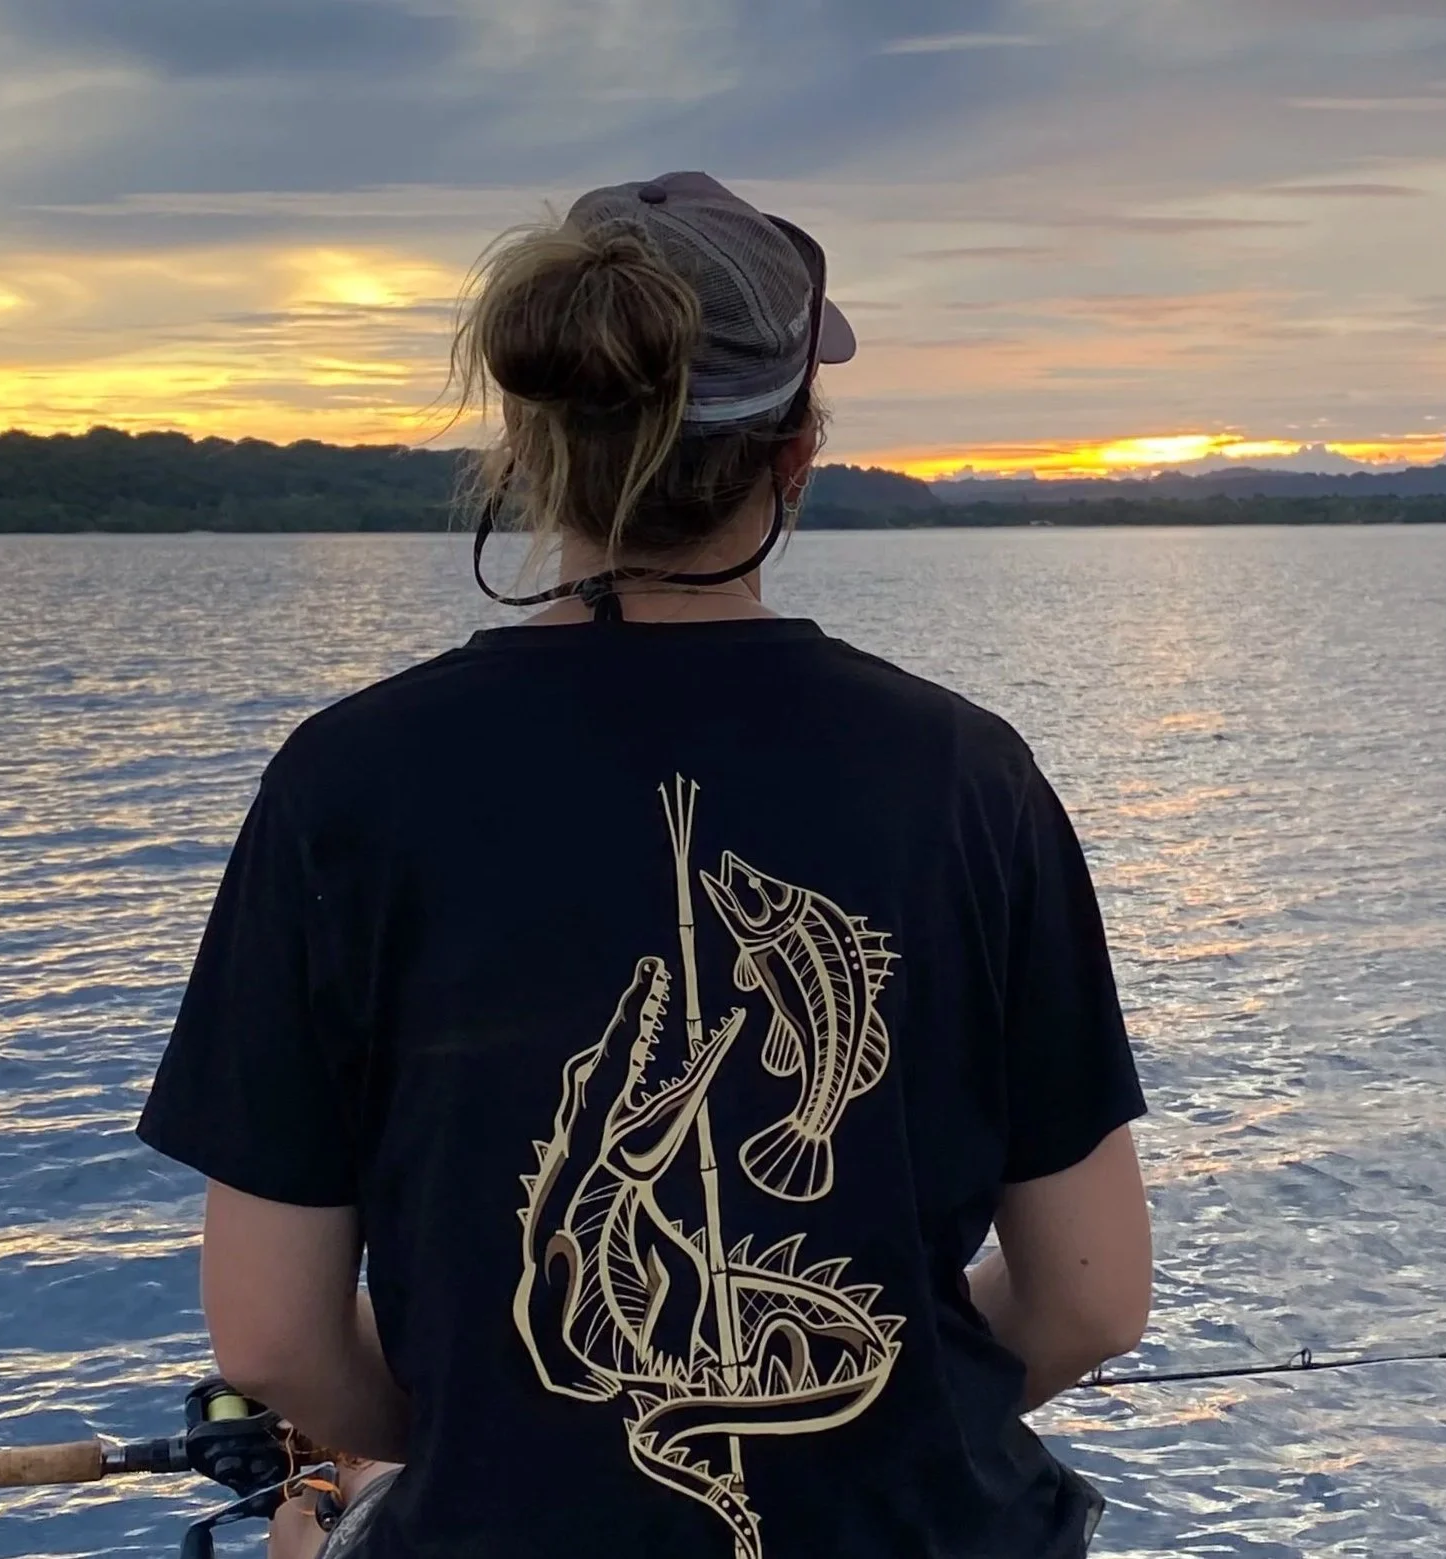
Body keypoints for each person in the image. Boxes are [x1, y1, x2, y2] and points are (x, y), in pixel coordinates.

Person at [137, 171, 1152, 1559]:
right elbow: (1089, 1303)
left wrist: (445, 1439)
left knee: (300, 1536)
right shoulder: (973, 776)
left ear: (527, 447)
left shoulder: (346, 783)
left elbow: (269, 1333)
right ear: (795, 456)